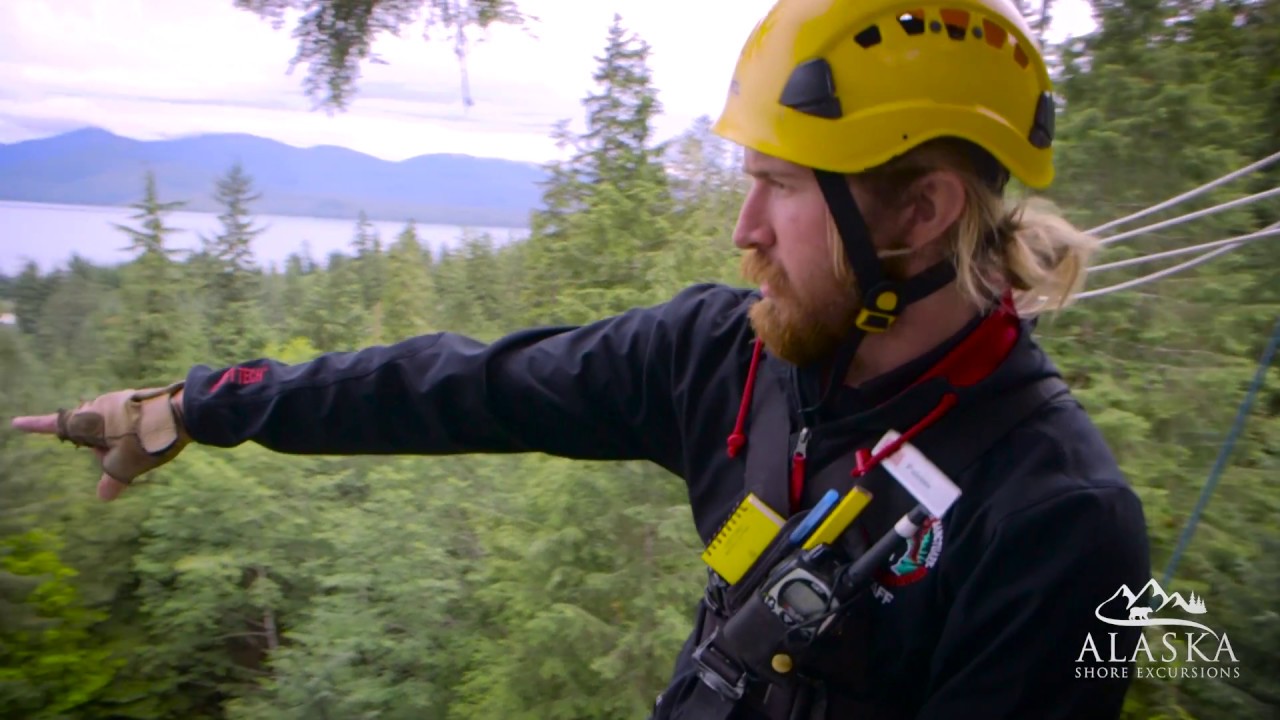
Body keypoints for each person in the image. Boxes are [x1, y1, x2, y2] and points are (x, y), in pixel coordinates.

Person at [11, 0, 1152, 717]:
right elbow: (459, 385)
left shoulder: (1060, 521)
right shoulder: (723, 357)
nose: (741, 229)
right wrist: (197, 406)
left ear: (917, 214)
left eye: (781, 188)